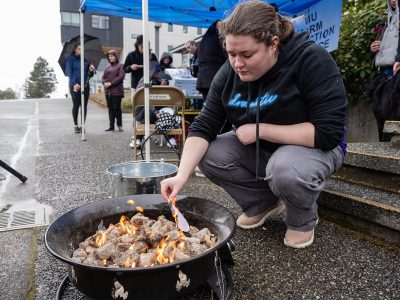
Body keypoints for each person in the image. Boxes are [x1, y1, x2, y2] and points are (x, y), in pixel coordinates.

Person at [161, 0, 347, 249]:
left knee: (285, 168)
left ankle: (302, 220)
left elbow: (328, 132)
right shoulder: (229, 71)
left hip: (314, 147)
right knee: (208, 153)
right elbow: (204, 124)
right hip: (263, 147)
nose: (237, 63)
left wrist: (262, 130)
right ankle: (263, 203)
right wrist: (181, 175)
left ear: (273, 44)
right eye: (231, 53)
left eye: (247, 55)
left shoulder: (310, 59)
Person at [368, 0, 400, 141]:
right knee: (382, 119)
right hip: (383, 75)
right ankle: (384, 154)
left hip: (396, 75)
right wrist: (374, 50)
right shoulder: (387, 22)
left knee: (394, 119)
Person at [65, 43, 95, 133]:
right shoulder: (70, 59)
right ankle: (75, 125)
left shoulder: (85, 60)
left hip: (85, 86)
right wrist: (75, 83)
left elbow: (89, 75)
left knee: (84, 106)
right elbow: (69, 72)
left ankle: (82, 126)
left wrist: (91, 71)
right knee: (76, 105)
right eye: (79, 49)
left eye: (82, 49)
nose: (81, 51)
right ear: (75, 50)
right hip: (74, 86)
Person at [102, 50, 126, 132]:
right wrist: (104, 83)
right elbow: (103, 77)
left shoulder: (120, 65)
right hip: (108, 91)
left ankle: (119, 125)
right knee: (110, 108)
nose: (110, 57)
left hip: (117, 91)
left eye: (112, 56)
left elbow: (120, 77)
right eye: (109, 56)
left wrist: (111, 83)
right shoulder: (107, 67)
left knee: (117, 108)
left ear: (116, 56)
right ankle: (111, 126)